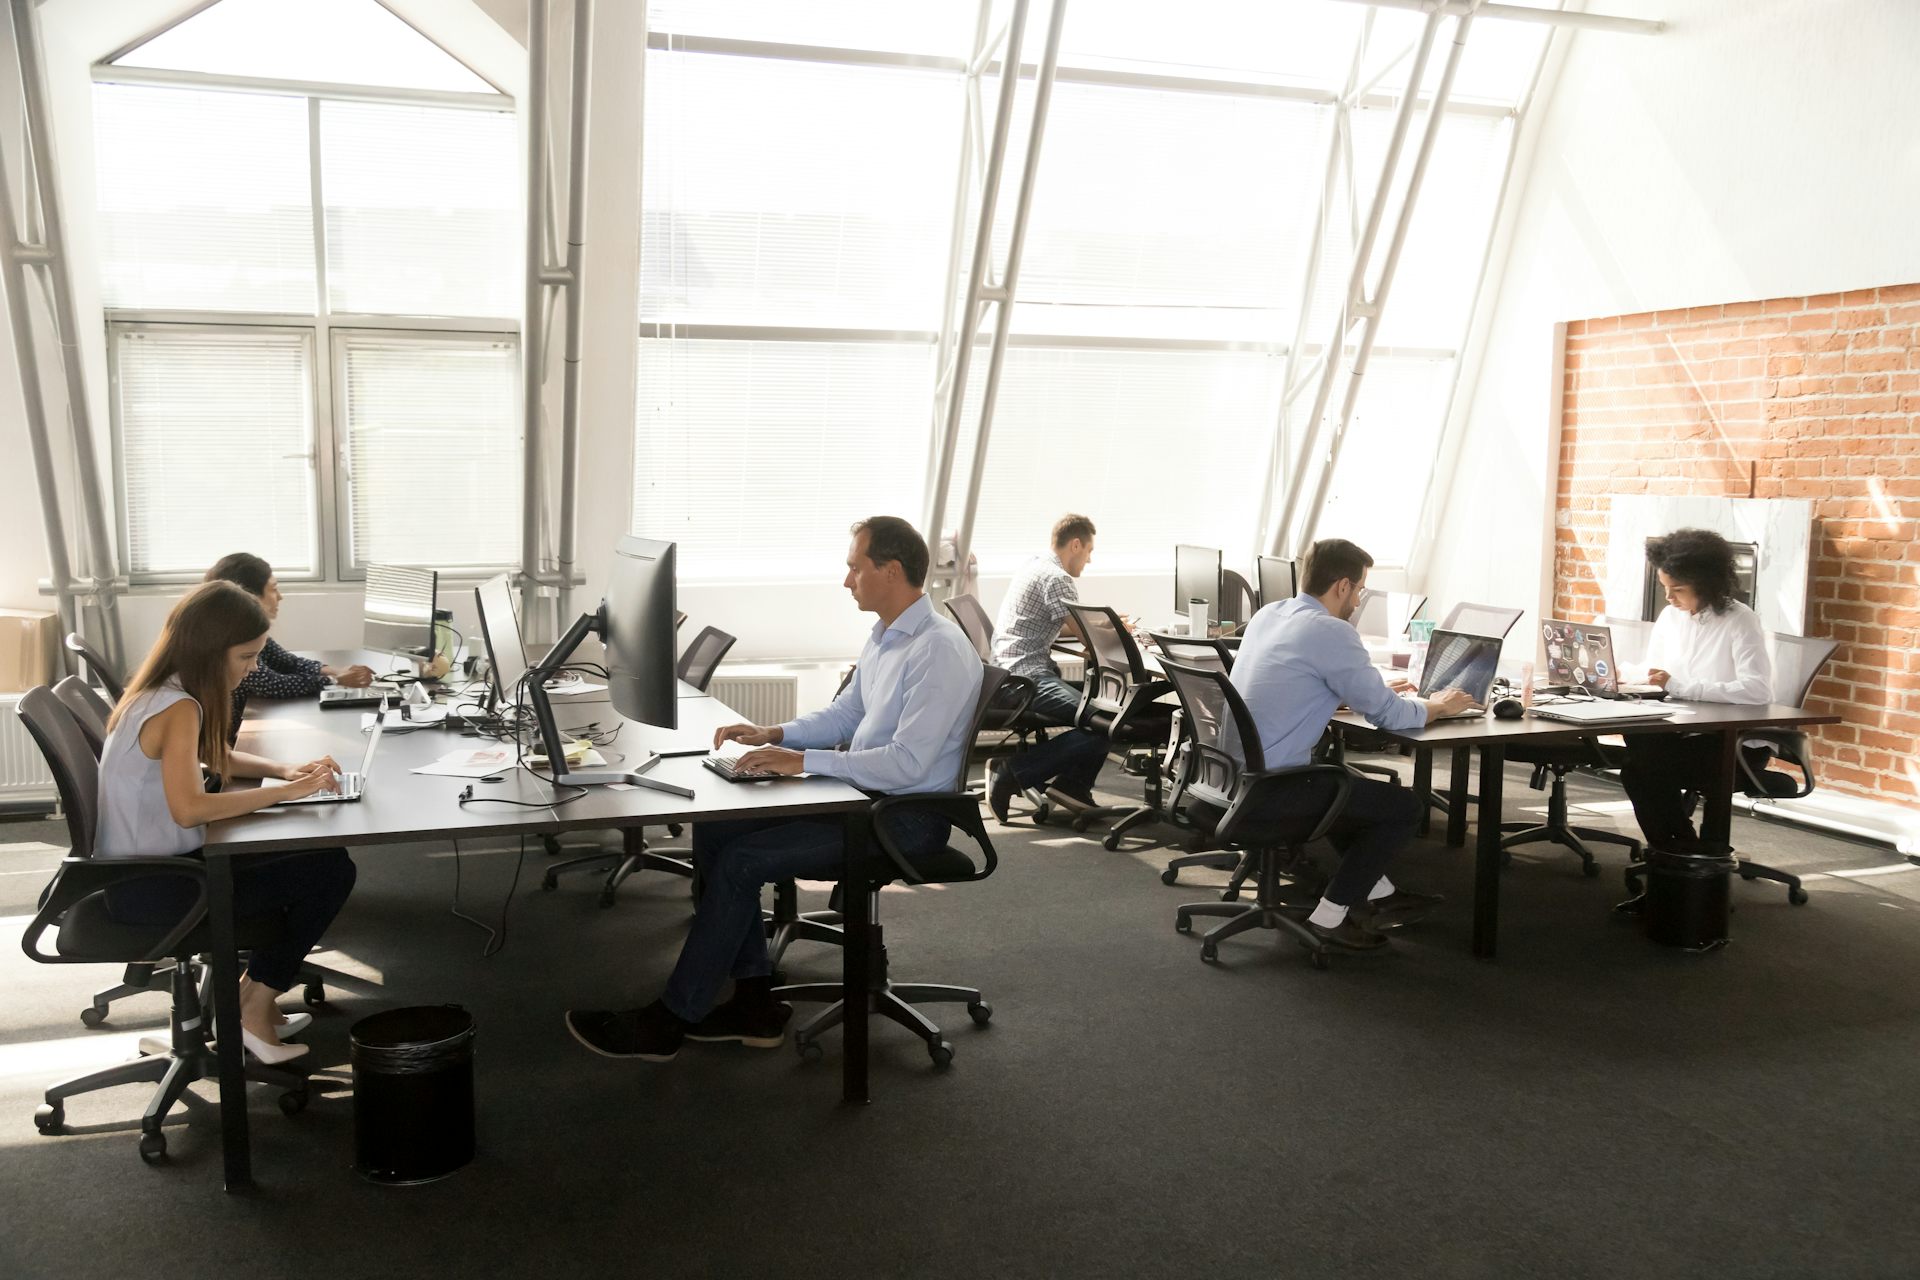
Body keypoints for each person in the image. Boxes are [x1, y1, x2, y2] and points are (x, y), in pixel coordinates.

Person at [566, 517, 982, 1062]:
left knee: (741, 862)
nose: (847, 580)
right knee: (719, 832)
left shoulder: (938, 650)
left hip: (904, 818)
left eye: (855, 568)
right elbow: (846, 714)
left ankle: (669, 1021)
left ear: (892, 570)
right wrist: (776, 734)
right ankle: (753, 1002)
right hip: (862, 796)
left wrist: (801, 761)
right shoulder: (886, 636)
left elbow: (908, 764)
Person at [95, 581, 358, 1064]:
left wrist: (284, 770)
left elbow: (215, 756)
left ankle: (250, 998)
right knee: (330, 872)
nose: (254, 667)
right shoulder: (178, 707)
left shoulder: (161, 690)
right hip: (161, 886)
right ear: (209, 651)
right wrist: (287, 792)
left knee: (320, 857)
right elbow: (190, 809)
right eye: (246, 657)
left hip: (144, 872)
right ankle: (252, 1007)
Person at [1222, 538, 1475, 952]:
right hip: (1275, 787)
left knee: (1345, 782)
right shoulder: (1330, 630)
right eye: (1359, 590)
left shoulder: (1271, 614)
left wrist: (1352, 691)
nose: (1357, 600)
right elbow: (1388, 715)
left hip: (1233, 774)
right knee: (1404, 807)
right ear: (1342, 585)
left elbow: (1290, 681)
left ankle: (1380, 893)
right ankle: (1330, 917)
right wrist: (1438, 706)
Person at [1619, 528, 1773, 853]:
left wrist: (1681, 686)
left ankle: (1679, 852)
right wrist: (1623, 674)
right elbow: (1657, 670)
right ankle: (1683, 852)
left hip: (1732, 745)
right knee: (1639, 755)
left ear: (1706, 584)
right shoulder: (1671, 617)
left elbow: (1757, 690)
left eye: (1678, 589)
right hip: (1684, 734)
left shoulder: (1740, 621)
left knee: (1641, 767)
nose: (1668, 597)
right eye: (1664, 587)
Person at [985, 514, 1110, 822]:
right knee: (1105, 720)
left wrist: (1102, 626)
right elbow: (1088, 639)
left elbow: (1060, 623)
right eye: (1089, 551)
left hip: (1007, 673)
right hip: (1025, 680)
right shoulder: (1058, 579)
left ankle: (1073, 788)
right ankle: (1011, 772)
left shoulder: (1035, 564)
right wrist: (1115, 631)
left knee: (1106, 708)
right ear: (1076, 545)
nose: (1089, 560)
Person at [204, 552, 374, 742]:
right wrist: (334, 680)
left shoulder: (250, 630)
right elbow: (272, 685)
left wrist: (334, 670)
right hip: (227, 745)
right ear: (249, 595)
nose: (280, 597)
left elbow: (287, 662)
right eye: (273, 589)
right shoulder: (232, 640)